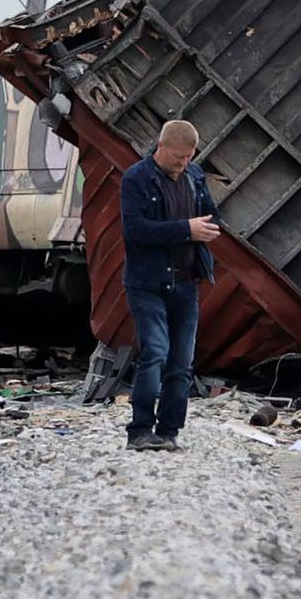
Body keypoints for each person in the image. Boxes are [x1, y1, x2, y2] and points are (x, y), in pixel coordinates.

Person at [119, 119, 220, 451]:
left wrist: (206, 228)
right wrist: (185, 230)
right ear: (161, 148)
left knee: (182, 362)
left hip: (186, 283)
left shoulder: (195, 176)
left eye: (189, 157)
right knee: (155, 353)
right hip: (147, 283)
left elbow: (210, 217)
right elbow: (135, 231)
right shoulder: (136, 179)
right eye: (178, 157)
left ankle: (169, 431)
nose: (184, 163)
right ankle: (139, 432)